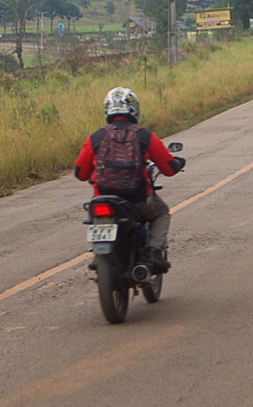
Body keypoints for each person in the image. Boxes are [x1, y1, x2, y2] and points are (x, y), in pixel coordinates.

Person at [75, 87, 185, 272]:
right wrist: (178, 162)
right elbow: (168, 169)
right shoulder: (144, 135)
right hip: (138, 199)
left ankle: (99, 253)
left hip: (102, 197)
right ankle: (154, 252)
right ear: (134, 109)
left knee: (93, 214)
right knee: (161, 213)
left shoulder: (96, 137)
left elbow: (81, 174)